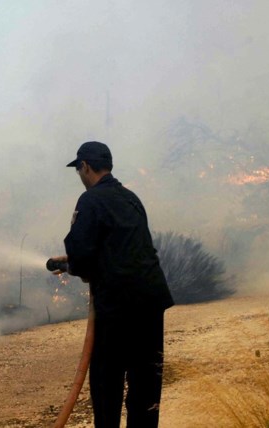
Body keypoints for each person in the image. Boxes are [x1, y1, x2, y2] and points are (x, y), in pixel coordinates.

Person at [50, 141, 174, 427]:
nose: (79, 176)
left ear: (86, 167)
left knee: (107, 384)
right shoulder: (131, 198)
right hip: (150, 303)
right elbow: (122, 247)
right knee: (146, 384)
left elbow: (82, 255)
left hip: (118, 307)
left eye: (78, 170)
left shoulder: (90, 200)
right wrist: (74, 261)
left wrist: (73, 265)